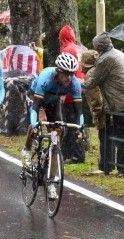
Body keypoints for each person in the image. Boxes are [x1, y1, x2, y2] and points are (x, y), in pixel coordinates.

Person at [21, 53, 84, 199]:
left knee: (58, 132)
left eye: (71, 74)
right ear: (58, 71)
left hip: (53, 102)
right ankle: (27, 148)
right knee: (39, 121)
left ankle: (51, 182)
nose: (69, 77)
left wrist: (80, 129)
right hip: (36, 99)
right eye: (65, 74)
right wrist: (35, 124)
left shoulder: (75, 84)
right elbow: (35, 108)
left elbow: (79, 111)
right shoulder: (46, 78)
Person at [83, 32, 124, 176]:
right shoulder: (118, 53)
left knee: (122, 137)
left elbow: (95, 80)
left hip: (120, 102)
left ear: (99, 46)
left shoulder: (106, 59)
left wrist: (80, 84)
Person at [58, 24, 86, 163]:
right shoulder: (80, 49)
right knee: (77, 121)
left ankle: (72, 154)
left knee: (68, 123)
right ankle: (76, 152)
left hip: (70, 91)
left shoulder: (66, 50)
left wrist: (62, 93)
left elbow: (65, 72)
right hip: (81, 87)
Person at [79, 49, 104, 174]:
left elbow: (95, 99)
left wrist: (96, 117)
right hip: (106, 107)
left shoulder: (90, 75)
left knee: (103, 137)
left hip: (102, 111)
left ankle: (104, 165)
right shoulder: (95, 71)